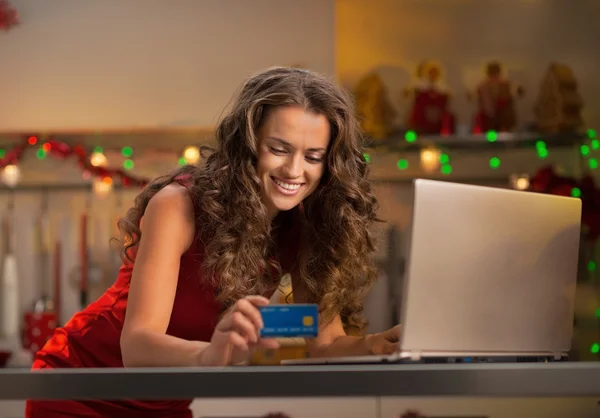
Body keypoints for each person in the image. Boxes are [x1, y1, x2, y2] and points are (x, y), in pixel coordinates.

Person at [25, 67, 400, 417]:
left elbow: (322, 342)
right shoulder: (178, 205)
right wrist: (214, 355)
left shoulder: (301, 228)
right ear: (248, 145)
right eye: (279, 149)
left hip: (165, 400)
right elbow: (137, 346)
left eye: (313, 156)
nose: (294, 170)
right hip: (79, 386)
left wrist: (378, 344)